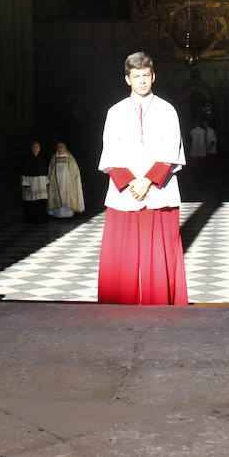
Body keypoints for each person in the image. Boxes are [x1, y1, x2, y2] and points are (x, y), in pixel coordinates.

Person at [97, 51, 188, 305]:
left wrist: (147, 181)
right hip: (124, 193)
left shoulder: (167, 110)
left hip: (159, 191)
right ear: (127, 79)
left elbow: (172, 149)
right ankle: (120, 306)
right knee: (122, 255)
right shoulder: (115, 112)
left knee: (158, 254)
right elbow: (110, 152)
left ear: (153, 76)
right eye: (136, 77)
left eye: (146, 76)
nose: (141, 81)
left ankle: (160, 304)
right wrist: (131, 183)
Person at [47, 141, 85, 218]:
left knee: (66, 196)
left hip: (67, 182)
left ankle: (68, 214)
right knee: (58, 196)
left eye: (62, 146)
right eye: (59, 147)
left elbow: (75, 170)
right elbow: (50, 170)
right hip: (56, 182)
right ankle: (57, 214)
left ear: (65, 148)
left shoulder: (69, 157)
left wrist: (73, 179)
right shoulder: (54, 157)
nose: (60, 148)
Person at [21, 140, 49, 223]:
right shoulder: (27, 159)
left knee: (41, 202)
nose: (35, 149)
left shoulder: (42, 159)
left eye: (37, 147)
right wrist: (26, 185)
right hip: (31, 183)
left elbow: (45, 172)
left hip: (41, 184)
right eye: (34, 147)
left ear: (39, 148)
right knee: (32, 202)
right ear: (31, 148)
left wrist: (47, 183)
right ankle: (31, 220)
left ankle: (41, 219)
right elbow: (24, 172)